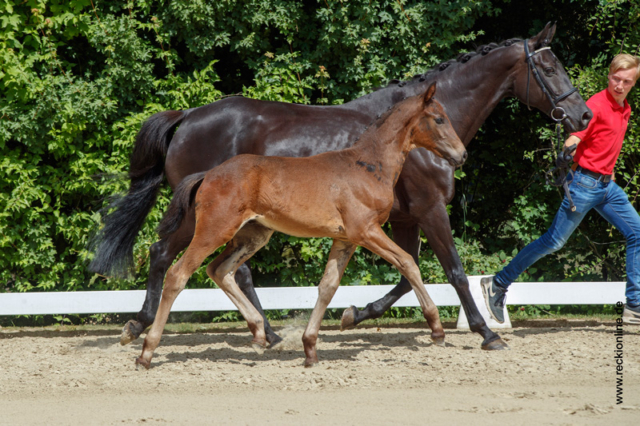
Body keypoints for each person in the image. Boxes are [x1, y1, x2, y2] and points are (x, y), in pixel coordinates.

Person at [482, 53, 640, 325]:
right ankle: (498, 283)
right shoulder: (596, 105)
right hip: (584, 186)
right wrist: (567, 150)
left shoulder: (624, 108)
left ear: (633, 84)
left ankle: (635, 306)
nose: (619, 85)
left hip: (606, 187)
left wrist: (609, 169)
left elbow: (607, 142)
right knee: (554, 242)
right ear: (609, 75)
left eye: (626, 81)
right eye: (616, 78)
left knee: (637, 233)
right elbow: (578, 133)